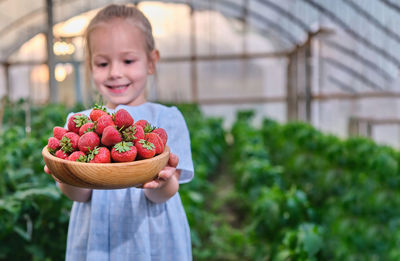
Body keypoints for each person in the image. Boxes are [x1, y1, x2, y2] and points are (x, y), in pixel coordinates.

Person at [44, 4, 194, 260]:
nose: (115, 72)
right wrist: (67, 176)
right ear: (90, 67)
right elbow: (79, 195)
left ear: (151, 61)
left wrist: (163, 180)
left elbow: (164, 194)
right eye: (102, 63)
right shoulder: (79, 123)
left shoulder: (166, 120)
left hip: (152, 234)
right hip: (97, 236)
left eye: (128, 60)